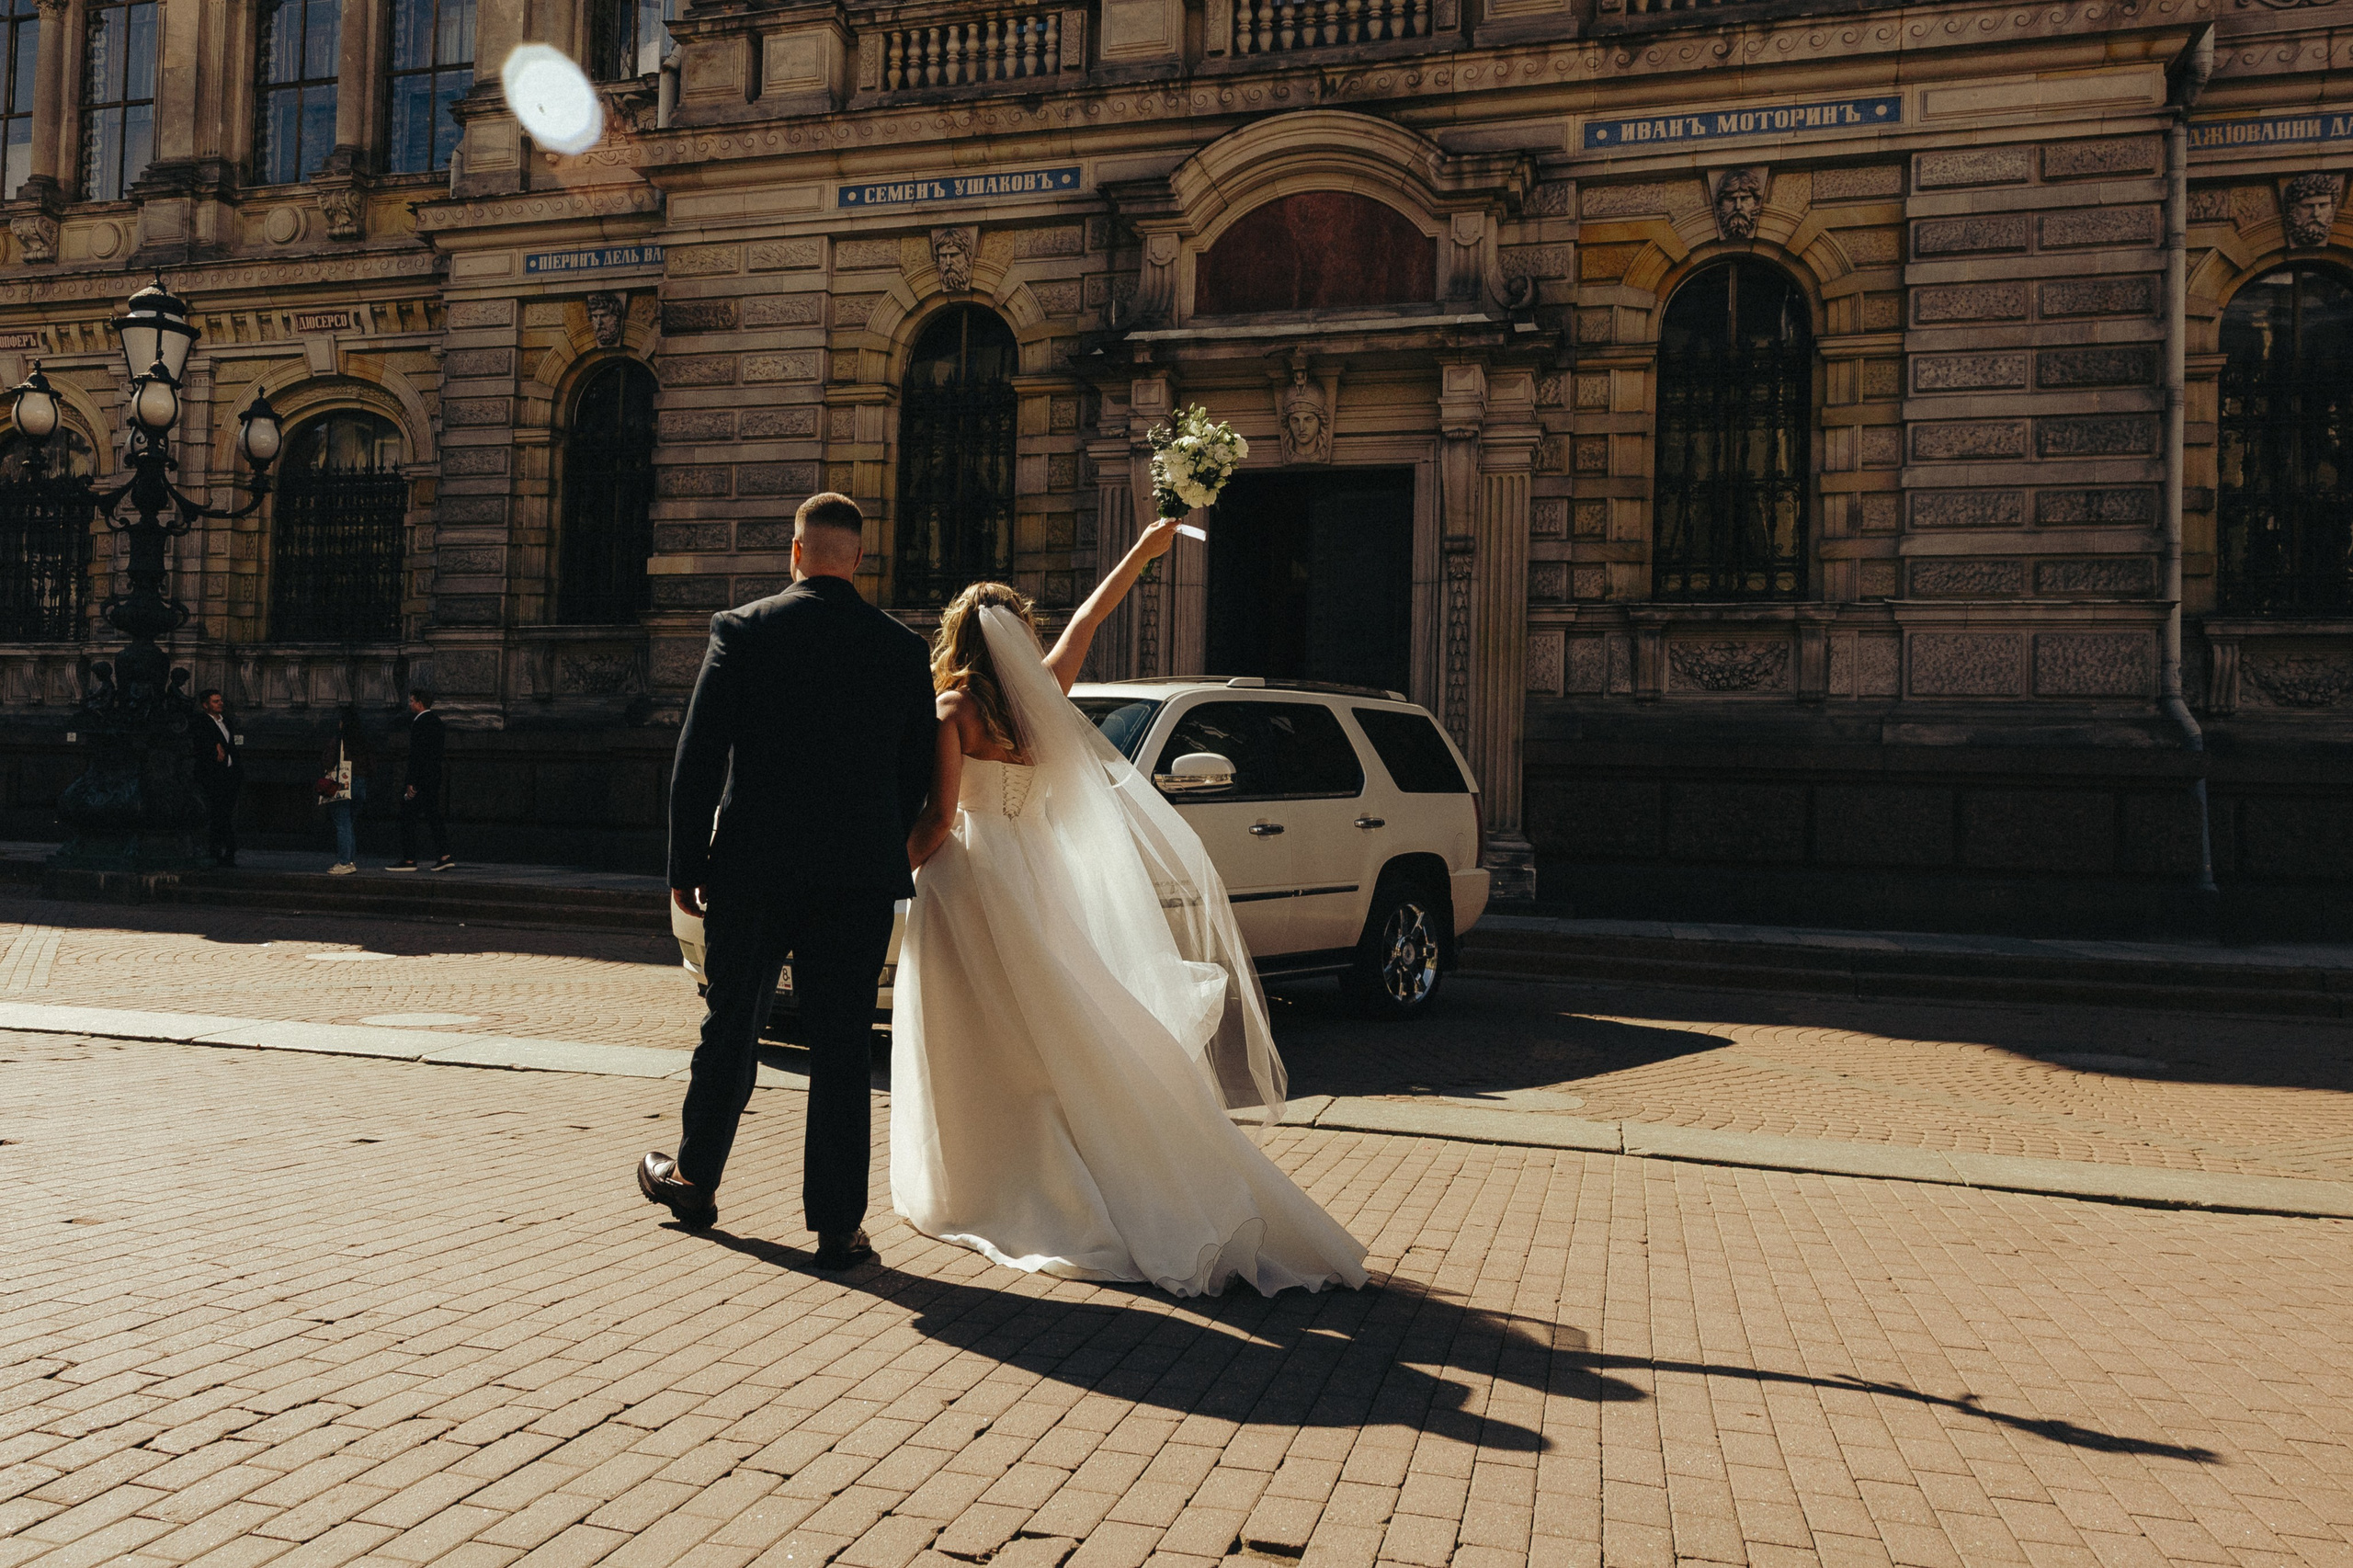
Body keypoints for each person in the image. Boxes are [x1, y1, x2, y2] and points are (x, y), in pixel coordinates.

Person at [892, 523, 1369, 1297]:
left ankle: (987, 1180)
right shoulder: (1042, 696)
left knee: (973, 1035)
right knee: (1060, 1029)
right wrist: (1142, 554)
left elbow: (941, 820)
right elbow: (1087, 621)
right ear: (1017, 638)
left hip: (968, 884)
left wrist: (887, 865)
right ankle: (1085, 1162)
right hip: (1039, 881)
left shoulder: (955, 710)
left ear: (957, 638)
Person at [640, 493, 937, 1268]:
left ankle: (696, 1179)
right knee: (842, 1046)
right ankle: (838, 1228)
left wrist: (685, 866)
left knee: (730, 1025)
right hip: (857, 879)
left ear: (795, 552)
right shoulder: (902, 650)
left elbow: (698, 759)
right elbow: (917, 776)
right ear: (860, 560)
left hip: (753, 870)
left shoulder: (743, 630)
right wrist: (881, 845)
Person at [386, 688, 452, 872]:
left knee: (407, 817)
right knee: (433, 815)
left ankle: (409, 859)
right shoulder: (437, 722)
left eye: (412, 701)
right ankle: (444, 855)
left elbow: (417, 756)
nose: (410, 704)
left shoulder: (419, 723)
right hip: (433, 777)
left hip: (420, 780)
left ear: (420, 703)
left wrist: (411, 782)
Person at [190, 688, 240, 868]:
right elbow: (200, 741)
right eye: (215, 701)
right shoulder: (201, 721)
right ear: (205, 705)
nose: (220, 703)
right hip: (212, 775)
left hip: (229, 774)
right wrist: (215, 745)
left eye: (220, 700)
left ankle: (226, 850)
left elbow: (231, 743)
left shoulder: (226, 721)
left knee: (225, 813)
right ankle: (220, 850)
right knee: (218, 813)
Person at [320, 707, 367, 874]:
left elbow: (328, 761)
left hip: (341, 783)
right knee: (349, 823)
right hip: (361, 783)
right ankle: (351, 859)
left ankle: (344, 861)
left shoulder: (339, 740)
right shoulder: (363, 741)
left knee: (342, 823)